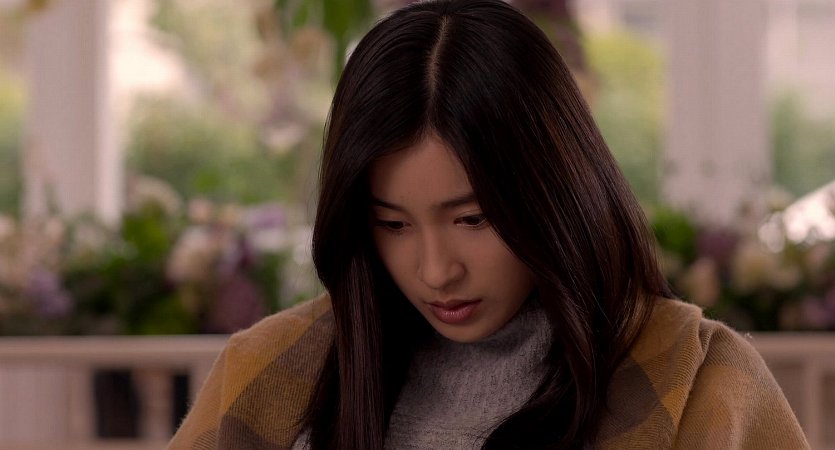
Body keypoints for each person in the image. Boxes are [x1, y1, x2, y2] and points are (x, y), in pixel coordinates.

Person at [167, 1, 808, 449]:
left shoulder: (702, 385)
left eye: (473, 218)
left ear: (555, 194)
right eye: (393, 224)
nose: (436, 270)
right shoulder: (268, 374)